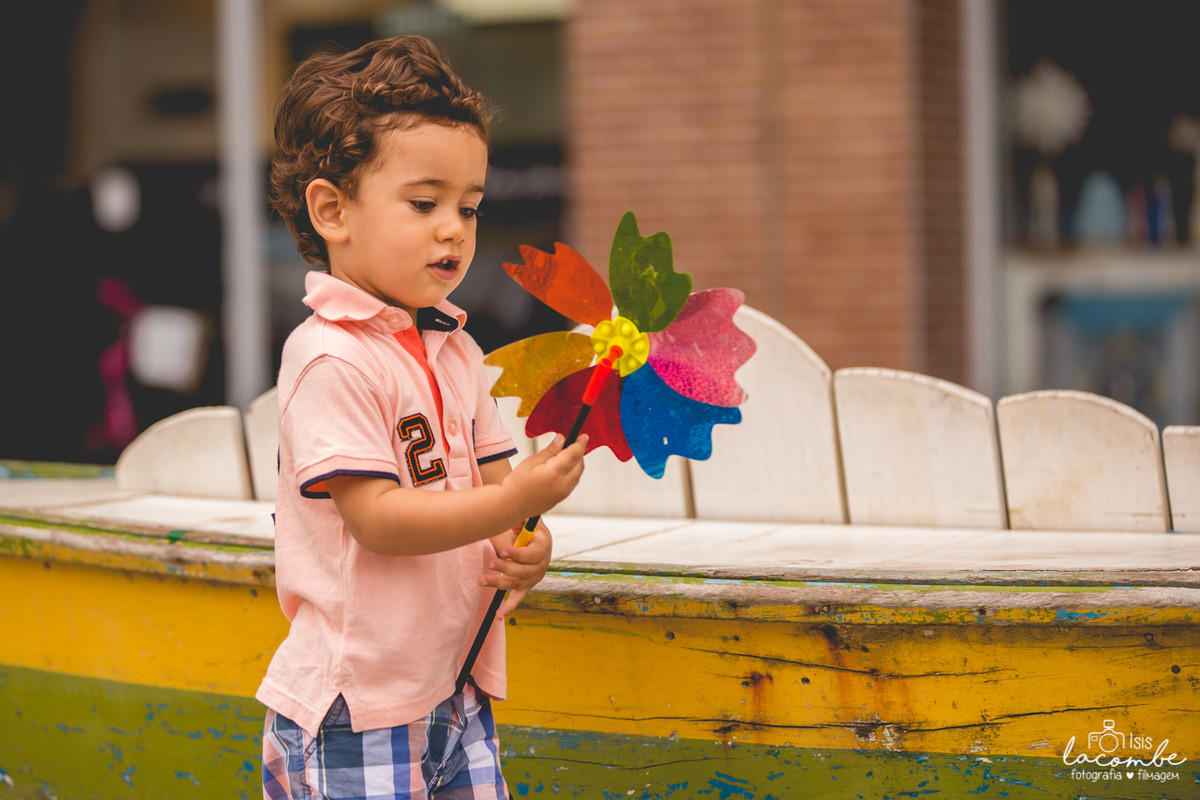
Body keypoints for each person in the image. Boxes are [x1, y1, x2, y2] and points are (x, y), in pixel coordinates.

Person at [256, 35, 587, 800]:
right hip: (357, 703)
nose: (454, 228)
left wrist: (528, 538)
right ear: (332, 209)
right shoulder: (330, 358)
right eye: (424, 202)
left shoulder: (456, 349)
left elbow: (500, 496)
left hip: (454, 684)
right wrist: (508, 502)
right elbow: (375, 518)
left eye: (469, 207)